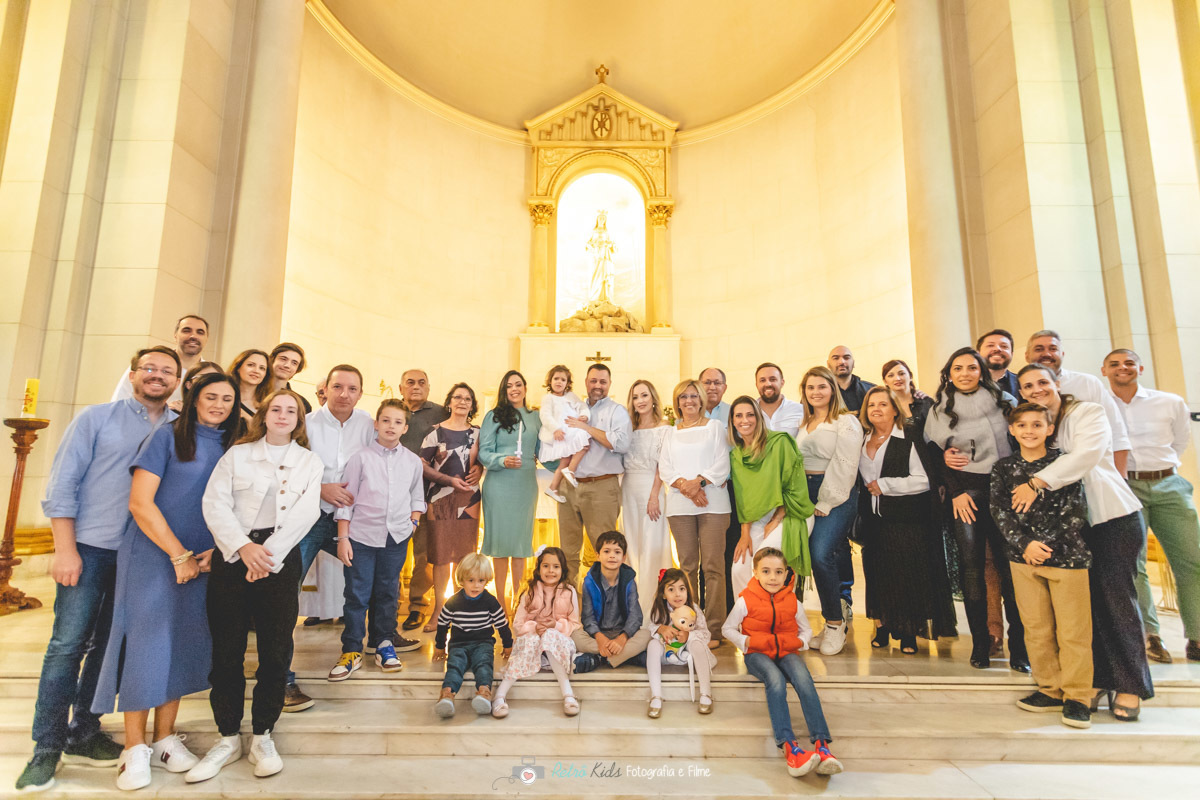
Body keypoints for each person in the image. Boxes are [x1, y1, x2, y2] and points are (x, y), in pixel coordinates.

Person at [17, 347, 180, 793]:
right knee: (67, 646)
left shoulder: (176, 429)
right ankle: (46, 747)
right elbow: (62, 484)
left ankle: (84, 730)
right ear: (132, 375)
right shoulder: (97, 418)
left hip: (141, 557)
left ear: (177, 382)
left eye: (167, 372)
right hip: (90, 548)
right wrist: (64, 549)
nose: (157, 376)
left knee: (111, 648)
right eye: (149, 368)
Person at [90, 373, 241, 790]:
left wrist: (216, 550)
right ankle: (133, 747)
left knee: (179, 642)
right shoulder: (167, 437)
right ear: (192, 399)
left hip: (203, 558)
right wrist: (177, 553)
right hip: (154, 553)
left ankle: (164, 739)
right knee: (146, 642)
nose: (219, 404)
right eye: (211, 396)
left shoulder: (233, 444)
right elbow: (140, 502)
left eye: (228, 399)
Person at [191, 389, 324, 783]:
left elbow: (307, 512)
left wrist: (266, 555)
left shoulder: (308, 461)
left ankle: (263, 734)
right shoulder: (237, 455)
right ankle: (228, 736)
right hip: (234, 556)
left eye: (291, 411)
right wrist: (244, 548)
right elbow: (214, 503)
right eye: (276, 409)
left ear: (298, 420)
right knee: (227, 649)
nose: (283, 415)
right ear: (263, 415)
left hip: (278, 561)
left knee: (276, 648)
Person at [1016, 364, 1154, 720]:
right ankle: (1095, 680)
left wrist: (1036, 483)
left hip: (1111, 519)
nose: (1036, 390)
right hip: (1071, 530)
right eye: (1027, 386)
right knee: (1085, 610)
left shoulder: (1086, 412)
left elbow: (1086, 456)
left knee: (1118, 602)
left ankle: (1130, 685)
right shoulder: (1040, 425)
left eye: (1042, 382)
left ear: (1057, 384)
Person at [285, 365, 390, 713]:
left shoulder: (367, 424)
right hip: (310, 515)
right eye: (338, 387)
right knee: (285, 590)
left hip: (354, 520)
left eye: (352, 388)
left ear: (361, 393)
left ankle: (369, 645)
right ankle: (282, 674)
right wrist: (321, 489)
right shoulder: (307, 424)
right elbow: (286, 470)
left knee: (366, 583)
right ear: (325, 389)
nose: (344, 394)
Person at [925, 347, 1028, 671]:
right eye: (958, 368)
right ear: (949, 373)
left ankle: (1020, 648)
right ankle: (981, 644)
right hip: (964, 494)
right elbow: (933, 456)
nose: (965, 373)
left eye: (972, 367)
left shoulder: (1006, 403)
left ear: (981, 371)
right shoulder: (940, 408)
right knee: (971, 569)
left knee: (1009, 569)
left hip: (1003, 494)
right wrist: (955, 491)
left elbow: (1020, 448)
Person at [991, 402, 1093, 729]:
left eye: (1037, 425)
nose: (1029, 431)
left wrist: (1044, 544)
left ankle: (1078, 696)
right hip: (1023, 559)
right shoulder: (1004, 469)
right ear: (1012, 430)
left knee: (1074, 630)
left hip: (1067, 557)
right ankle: (1049, 688)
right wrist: (1025, 545)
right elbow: (1000, 513)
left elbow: (1076, 511)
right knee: (1036, 628)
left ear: (1050, 429)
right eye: (1022, 426)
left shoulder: (1063, 464)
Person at [1103, 348, 1200, 664]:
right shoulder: (1100, 405)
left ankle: (1197, 636)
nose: (1123, 368)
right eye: (1115, 364)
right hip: (1126, 486)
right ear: (1104, 371)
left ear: (1140, 368)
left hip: (1169, 484)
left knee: (1192, 561)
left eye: (1129, 363)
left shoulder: (1169, 402)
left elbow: (1180, 443)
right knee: (1136, 564)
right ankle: (1150, 636)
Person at [329, 398, 427, 681]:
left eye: (398, 422)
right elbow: (346, 502)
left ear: (405, 428)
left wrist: (413, 522)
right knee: (357, 595)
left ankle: (383, 643)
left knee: (388, 594)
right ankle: (351, 650)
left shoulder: (411, 461)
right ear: (376, 424)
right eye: (386, 420)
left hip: (396, 537)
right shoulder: (360, 458)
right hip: (361, 536)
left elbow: (416, 497)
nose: (391, 426)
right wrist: (343, 538)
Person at [723, 548, 842, 778]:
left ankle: (822, 746)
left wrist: (801, 641)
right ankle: (791, 748)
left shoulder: (792, 601)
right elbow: (727, 629)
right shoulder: (745, 600)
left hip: (787, 651)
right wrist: (746, 642)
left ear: (786, 573)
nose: (773, 577)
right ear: (755, 573)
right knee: (775, 680)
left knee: (804, 679)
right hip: (757, 653)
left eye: (778, 572)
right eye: (766, 571)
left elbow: (806, 629)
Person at [858, 387, 956, 654]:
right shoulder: (862, 438)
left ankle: (909, 632)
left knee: (905, 576)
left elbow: (924, 480)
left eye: (882, 404)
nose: (876, 409)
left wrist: (885, 485)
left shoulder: (908, 437)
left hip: (906, 520)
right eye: (871, 405)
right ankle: (882, 627)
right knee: (878, 575)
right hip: (873, 521)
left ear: (894, 409)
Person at [794, 366, 861, 655]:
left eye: (822, 386)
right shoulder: (802, 422)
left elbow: (846, 464)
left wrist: (825, 500)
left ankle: (835, 623)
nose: (816, 392)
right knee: (809, 556)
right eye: (810, 387)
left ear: (833, 389)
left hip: (837, 492)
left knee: (820, 553)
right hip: (803, 493)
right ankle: (832, 618)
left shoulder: (845, 422)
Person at [660, 379, 731, 643]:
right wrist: (686, 487)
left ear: (702, 399)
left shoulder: (714, 427)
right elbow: (665, 467)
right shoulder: (670, 432)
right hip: (679, 505)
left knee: (713, 567)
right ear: (677, 402)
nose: (688, 401)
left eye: (693, 396)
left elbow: (722, 463)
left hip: (713, 503)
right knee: (687, 567)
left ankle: (713, 629)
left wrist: (698, 482)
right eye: (683, 397)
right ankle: (689, 624)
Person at [727, 396, 814, 602]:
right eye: (738, 416)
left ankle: (776, 621)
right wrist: (744, 533)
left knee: (765, 563)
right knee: (739, 568)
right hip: (756, 518)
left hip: (791, 513)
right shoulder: (737, 455)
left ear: (758, 418)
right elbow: (744, 499)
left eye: (749, 414)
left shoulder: (780, 442)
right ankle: (748, 623)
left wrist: (776, 520)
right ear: (732, 421)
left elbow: (794, 487)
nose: (744, 420)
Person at [556, 363, 633, 584]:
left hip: (601, 486)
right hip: (569, 485)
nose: (597, 386)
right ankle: (569, 607)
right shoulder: (573, 408)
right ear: (586, 382)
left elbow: (622, 443)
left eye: (602, 382)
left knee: (607, 552)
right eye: (593, 381)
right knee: (568, 551)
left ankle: (606, 609)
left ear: (609, 384)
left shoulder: (616, 412)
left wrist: (588, 429)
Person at [418, 383, 482, 632]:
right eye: (458, 397)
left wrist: (480, 469)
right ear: (449, 402)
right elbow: (422, 465)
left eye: (467, 398)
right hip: (440, 497)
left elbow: (482, 460)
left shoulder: (478, 433)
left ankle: (463, 610)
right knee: (441, 556)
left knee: (465, 556)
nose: (462, 401)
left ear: (472, 405)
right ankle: (438, 611)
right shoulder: (436, 432)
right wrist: (446, 480)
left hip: (469, 499)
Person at [491, 546, 581, 719]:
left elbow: (575, 623)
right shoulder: (529, 591)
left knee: (550, 635)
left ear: (562, 569)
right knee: (533, 639)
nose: (550, 571)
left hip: (559, 645)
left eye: (556, 566)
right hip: (531, 646)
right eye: (546, 566)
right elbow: (518, 624)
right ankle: (500, 696)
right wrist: (534, 627)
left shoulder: (569, 592)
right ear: (538, 568)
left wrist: (556, 624)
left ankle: (568, 693)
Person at [1025, 330, 1130, 473]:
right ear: (1027, 356)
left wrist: (1121, 477)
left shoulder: (1087, 383)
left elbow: (1116, 431)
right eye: (1039, 349)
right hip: (1043, 473)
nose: (1047, 354)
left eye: (1053, 349)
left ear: (1062, 354)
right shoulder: (1023, 387)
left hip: (1092, 472)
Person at [479, 370, 541, 611]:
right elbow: (484, 451)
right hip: (499, 483)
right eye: (509, 386)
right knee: (500, 544)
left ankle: (519, 601)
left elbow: (543, 449)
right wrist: (502, 460)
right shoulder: (494, 416)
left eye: (518, 384)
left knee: (520, 544)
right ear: (504, 391)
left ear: (525, 387)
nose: (514, 389)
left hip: (524, 484)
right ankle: (500, 603)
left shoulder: (535, 417)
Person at [398, 369, 453, 632]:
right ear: (400, 388)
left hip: (428, 492)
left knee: (423, 553)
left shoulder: (441, 413)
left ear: (429, 388)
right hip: (393, 492)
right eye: (410, 383)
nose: (416, 387)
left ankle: (418, 606)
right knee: (391, 550)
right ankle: (389, 603)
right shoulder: (391, 410)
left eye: (421, 383)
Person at [432, 554, 513, 718]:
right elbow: (442, 625)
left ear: (486, 581)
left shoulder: (490, 602)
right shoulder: (453, 602)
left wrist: (508, 645)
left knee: (483, 664)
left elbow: (502, 624)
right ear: (462, 580)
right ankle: (447, 695)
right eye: (471, 580)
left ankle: (483, 692)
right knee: (455, 665)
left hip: (483, 643)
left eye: (481, 581)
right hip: (458, 644)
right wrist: (440, 646)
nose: (476, 585)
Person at [622, 379, 672, 611]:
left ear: (653, 398)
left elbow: (663, 464)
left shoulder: (664, 428)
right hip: (629, 490)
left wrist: (654, 495)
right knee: (631, 542)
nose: (640, 401)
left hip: (652, 489)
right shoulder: (628, 430)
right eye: (635, 397)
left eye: (644, 395)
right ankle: (633, 602)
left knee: (652, 543)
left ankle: (654, 602)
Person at [572, 531, 652, 672]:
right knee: (575, 636)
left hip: (622, 634)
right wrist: (600, 638)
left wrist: (622, 638)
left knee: (647, 635)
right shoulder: (589, 582)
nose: (612, 556)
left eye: (617, 552)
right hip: (597, 635)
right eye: (607, 551)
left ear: (623, 557)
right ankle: (625, 656)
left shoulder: (629, 580)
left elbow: (636, 615)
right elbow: (587, 617)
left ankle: (600, 658)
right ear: (598, 555)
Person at [645, 568, 716, 717]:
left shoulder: (694, 609)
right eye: (671, 589)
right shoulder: (660, 609)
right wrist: (660, 629)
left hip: (689, 655)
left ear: (687, 591)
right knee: (652, 645)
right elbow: (650, 627)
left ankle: (706, 693)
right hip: (668, 653)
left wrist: (689, 635)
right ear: (663, 594)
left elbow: (705, 634)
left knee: (696, 644)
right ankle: (656, 695)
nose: (677, 594)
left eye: (682, 589)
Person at [700, 367, 740, 613]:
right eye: (707, 382)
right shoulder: (689, 414)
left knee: (729, 551)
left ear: (725, 387)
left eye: (717, 382)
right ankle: (705, 607)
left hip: (730, 488)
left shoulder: (733, 414)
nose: (712, 387)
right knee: (705, 553)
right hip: (698, 491)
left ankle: (729, 607)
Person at [111, 315, 208, 406]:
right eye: (186, 330)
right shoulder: (147, 363)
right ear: (175, 335)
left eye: (200, 332)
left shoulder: (210, 373)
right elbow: (119, 401)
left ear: (206, 339)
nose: (193, 336)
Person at [538, 365, 591, 502]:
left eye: (563, 379)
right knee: (584, 442)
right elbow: (545, 415)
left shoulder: (571, 396)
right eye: (556, 378)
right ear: (550, 381)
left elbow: (582, 405)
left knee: (565, 460)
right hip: (559, 433)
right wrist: (555, 428)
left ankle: (553, 487)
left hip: (570, 431)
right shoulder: (548, 398)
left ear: (567, 383)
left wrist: (584, 414)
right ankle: (571, 471)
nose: (559, 382)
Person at [882, 359, 932, 440]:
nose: (897, 378)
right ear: (885, 381)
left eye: (901, 374)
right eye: (891, 375)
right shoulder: (885, 407)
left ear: (910, 376)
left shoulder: (925, 402)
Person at [754, 362, 804, 437]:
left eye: (773, 379)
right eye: (762, 380)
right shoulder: (749, 412)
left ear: (782, 382)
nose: (768, 384)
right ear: (756, 385)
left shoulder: (800, 410)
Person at [225, 349, 271, 423]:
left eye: (262, 368)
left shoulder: (268, 405)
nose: (256, 371)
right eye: (251, 365)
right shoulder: (225, 399)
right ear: (238, 368)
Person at [826, 345, 875, 413]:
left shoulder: (871, 390)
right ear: (828, 364)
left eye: (846, 358)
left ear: (853, 363)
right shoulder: (822, 393)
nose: (841, 362)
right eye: (836, 358)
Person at [268, 343, 312, 413]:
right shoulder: (253, 393)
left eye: (294, 363)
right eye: (283, 359)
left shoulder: (302, 404)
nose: (287, 365)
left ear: (297, 369)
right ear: (272, 360)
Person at [978, 329, 1019, 399]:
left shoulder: (1021, 382)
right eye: (990, 345)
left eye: (1004, 346)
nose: (997, 349)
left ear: (1012, 354)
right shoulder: (967, 382)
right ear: (978, 353)